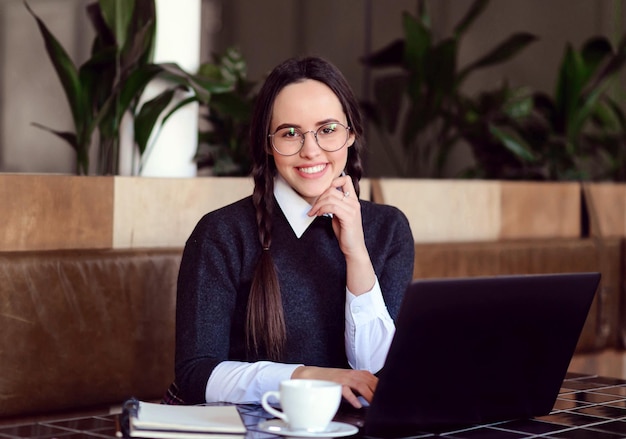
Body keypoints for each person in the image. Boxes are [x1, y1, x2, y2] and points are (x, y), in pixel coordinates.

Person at [168, 56, 414, 409]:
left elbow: (376, 371)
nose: (310, 150)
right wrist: (312, 377)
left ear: (351, 133)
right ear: (268, 144)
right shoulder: (222, 233)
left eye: (327, 129)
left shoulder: (388, 229)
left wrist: (356, 254)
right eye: (290, 133)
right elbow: (196, 375)